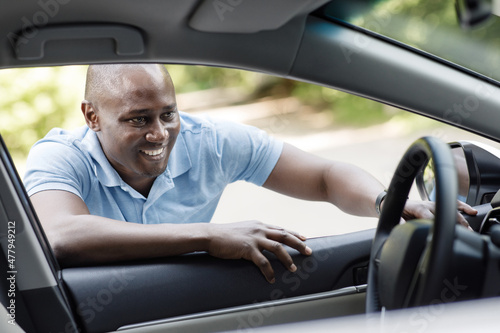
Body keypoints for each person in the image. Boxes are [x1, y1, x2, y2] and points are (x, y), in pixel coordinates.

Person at [24, 64, 477, 284]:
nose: (160, 133)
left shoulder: (212, 141)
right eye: (138, 119)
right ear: (92, 116)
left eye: (169, 113)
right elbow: (61, 234)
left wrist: (391, 204)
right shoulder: (61, 155)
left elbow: (323, 176)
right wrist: (208, 236)